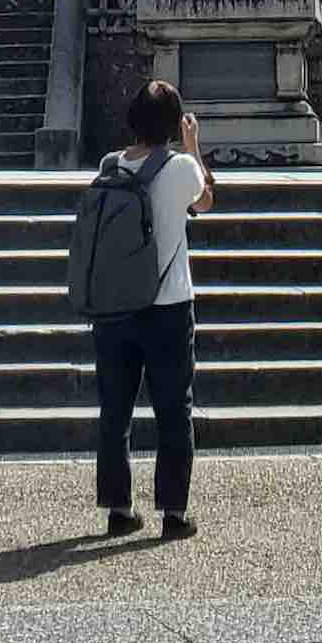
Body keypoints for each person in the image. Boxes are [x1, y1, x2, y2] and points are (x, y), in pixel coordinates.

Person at [94, 80, 215, 542]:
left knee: (115, 409)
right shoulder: (182, 167)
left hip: (114, 307)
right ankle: (174, 512)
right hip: (167, 306)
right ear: (171, 123)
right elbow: (206, 201)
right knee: (173, 408)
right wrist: (194, 146)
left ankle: (119, 507)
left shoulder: (110, 166)